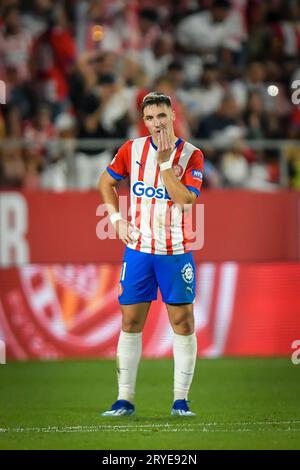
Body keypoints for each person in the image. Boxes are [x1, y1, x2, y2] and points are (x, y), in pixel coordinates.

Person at [98, 92, 204, 417]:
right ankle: (124, 400)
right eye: (149, 118)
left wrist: (165, 164)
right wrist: (115, 219)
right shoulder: (132, 149)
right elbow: (105, 182)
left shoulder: (192, 155)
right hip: (139, 250)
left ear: (173, 115)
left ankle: (180, 401)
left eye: (161, 115)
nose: (156, 123)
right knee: (130, 322)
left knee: (183, 323)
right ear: (143, 121)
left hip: (175, 251)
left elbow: (185, 200)